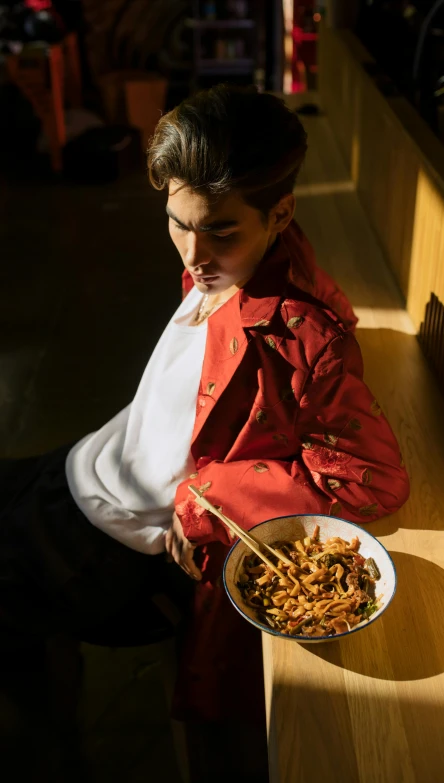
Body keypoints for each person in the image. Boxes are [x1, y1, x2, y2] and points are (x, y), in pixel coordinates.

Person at [0, 85, 409, 738]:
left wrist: (206, 495)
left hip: (110, 538)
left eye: (219, 229)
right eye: (177, 221)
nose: (192, 255)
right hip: (93, 460)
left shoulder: (305, 338)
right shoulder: (226, 265)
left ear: (281, 213)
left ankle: (46, 730)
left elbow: (374, 477)